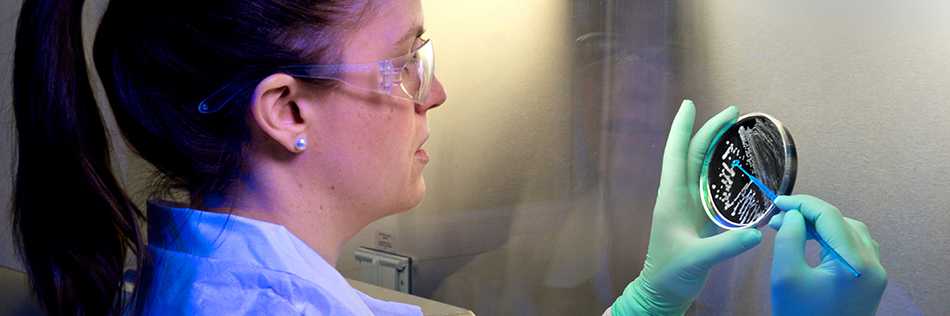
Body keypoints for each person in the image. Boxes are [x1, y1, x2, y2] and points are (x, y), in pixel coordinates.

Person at [9, 0, 886, 315]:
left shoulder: (188, 270)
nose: (434, 94)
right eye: (404, 62)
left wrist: (656, 294)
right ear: (286, 110)